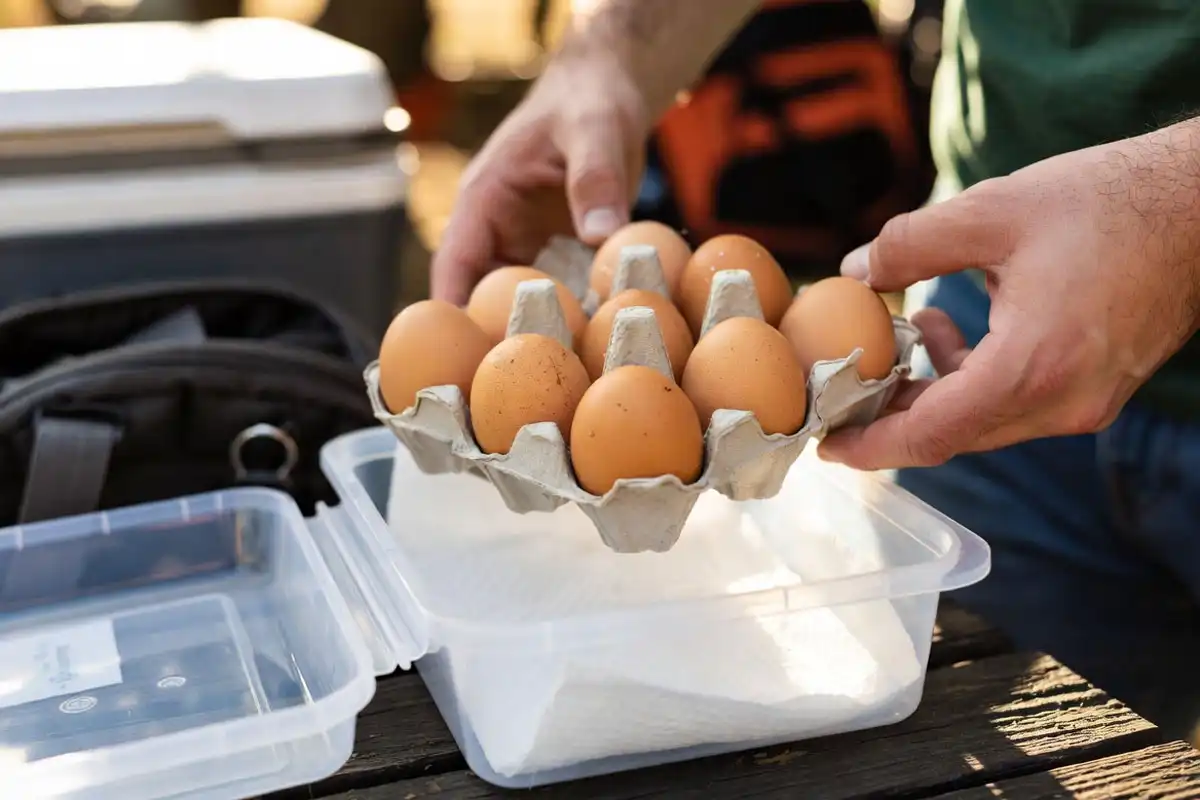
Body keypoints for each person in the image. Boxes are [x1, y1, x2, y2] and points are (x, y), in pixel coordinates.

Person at [430, 0, 1200, 742]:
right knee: (984, 745)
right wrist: (615, 52)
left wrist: (1176, 210)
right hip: (996, 322)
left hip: (1063, 286)